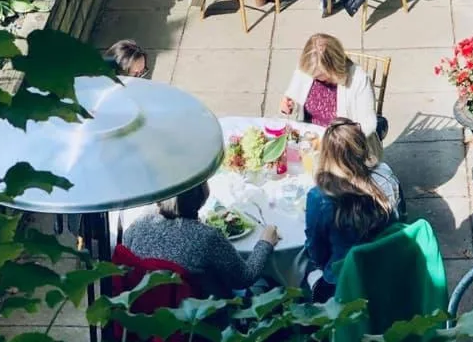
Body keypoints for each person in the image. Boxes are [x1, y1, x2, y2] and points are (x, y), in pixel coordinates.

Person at [122, 183, 280, 299]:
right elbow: (245, 278)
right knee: (270, 281)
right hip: (201, 320)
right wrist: (266, 242)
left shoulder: (138, 225)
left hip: (148, 313)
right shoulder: (207, 237)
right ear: (203, 195)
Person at [304, 119, 401, 300]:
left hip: (340, 284)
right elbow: (399, 221)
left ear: (327, 154)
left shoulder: (320, 197)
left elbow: (316, 252)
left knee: (300, 272)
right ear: (363, 148)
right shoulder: (386, 176)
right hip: (384, 271)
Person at [279, 34, 384, 153]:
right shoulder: (309, 67)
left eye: (319, 76)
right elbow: (293, 93)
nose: (314, 78)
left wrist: (335, 142)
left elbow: (368, 125)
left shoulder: (359, 80)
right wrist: (288, 102)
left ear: (334, 68)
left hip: (342, 147)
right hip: (309, 141)